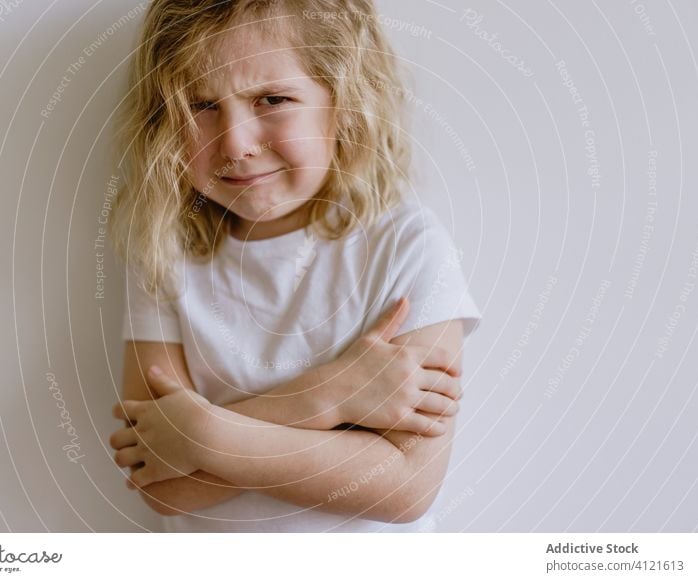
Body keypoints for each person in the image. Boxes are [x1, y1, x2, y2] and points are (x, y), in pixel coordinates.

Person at [107, 0, 482, 532]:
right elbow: (160, 484)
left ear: (345, 103)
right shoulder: (166, 252)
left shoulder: (405, 245)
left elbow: (405, 486)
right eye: (201, 104)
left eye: (272, 99)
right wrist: (330, 395)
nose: (235, 143)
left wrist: (202, 435)